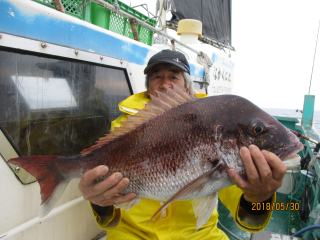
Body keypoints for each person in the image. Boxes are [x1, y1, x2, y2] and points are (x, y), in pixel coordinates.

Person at [78, 50, 286, 239]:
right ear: (148, 86)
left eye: (174, 76)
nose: (165, 84)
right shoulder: (123, 127)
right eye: (157, 76)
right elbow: (107, 219)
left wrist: (259, 197)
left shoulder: (213, 124)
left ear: (187, 85)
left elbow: (250, 220)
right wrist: (98, 201)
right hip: (132, 235)